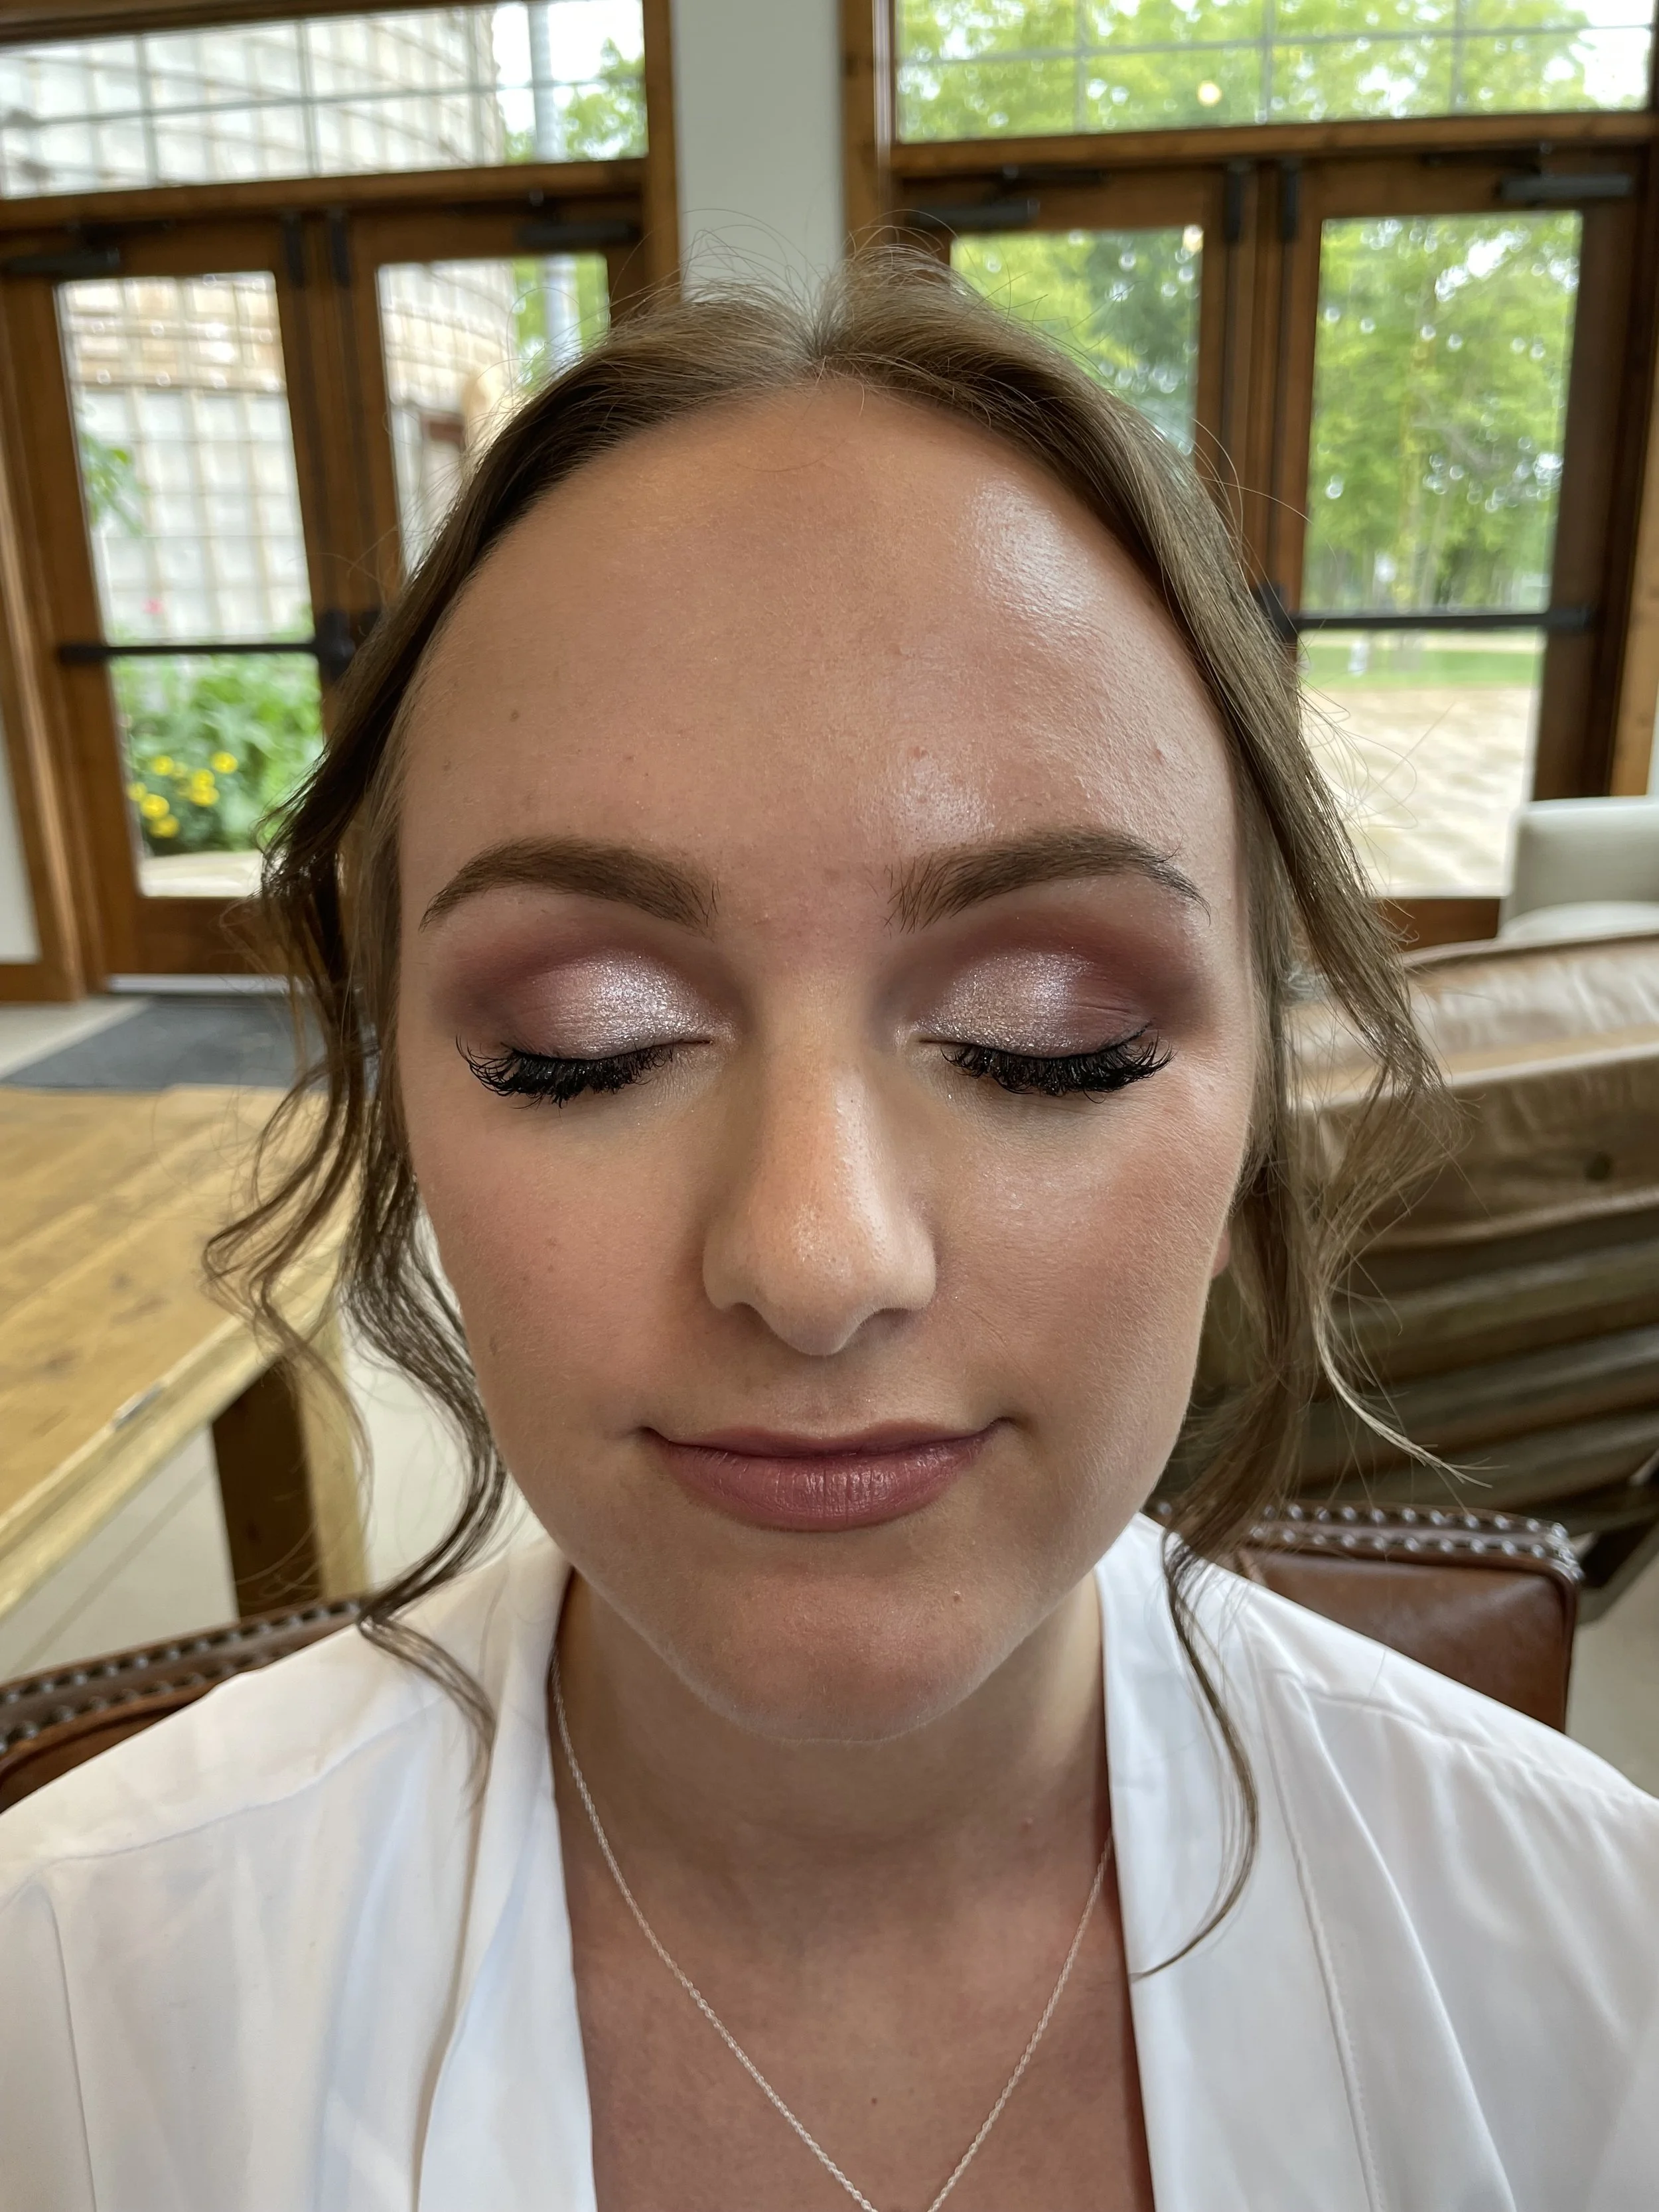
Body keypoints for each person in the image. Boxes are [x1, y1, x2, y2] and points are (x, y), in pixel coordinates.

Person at [1, 260, 1654, 2212]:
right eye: (580, 1047)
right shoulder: (79, 1997)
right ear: (412, 1109)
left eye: (1047, 1035)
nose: (812, 1256)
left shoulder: (1592, 1978)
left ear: (1244, 1126)